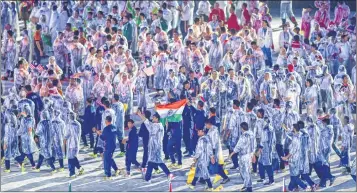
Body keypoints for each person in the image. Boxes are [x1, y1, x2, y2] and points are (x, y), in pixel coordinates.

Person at [137, 110, 173, 182]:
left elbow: (147, 122)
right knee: (151, 162)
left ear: (157, 119)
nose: (152, 119)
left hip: (155, 148)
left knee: (158, 162)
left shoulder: (156, 126)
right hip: (156, 147)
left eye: (153, 118)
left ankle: (168, 173)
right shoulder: (160, 126)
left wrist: (140, 115)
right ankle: (148, 178)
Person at [229, 122, 255, 192]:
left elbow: (238, 146)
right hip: (250, 154)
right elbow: (254, 145)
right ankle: (248, 186)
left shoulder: (243, 136)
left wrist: (232, 153)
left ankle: (247, 186)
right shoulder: (252, 134)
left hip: (244, 156)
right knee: (247, 171)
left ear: (242, 128)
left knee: (244, 171)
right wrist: (253, 154)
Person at [282, 123, 308, 191]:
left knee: (294, 176)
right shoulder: (299, 135)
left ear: (294, 129)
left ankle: (304, 186)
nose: (291, 129)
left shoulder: (295, 139)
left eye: (292, 128)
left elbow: (292, 151)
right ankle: (291, 187)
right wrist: (286, 129)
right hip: (297, 158)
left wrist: (286, 158)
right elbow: (290, 133)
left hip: (294, 159)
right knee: (294, 175)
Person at [205, 119, 230, 184]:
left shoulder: (213, 131)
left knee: (216, 167)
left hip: (214, 151)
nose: (205, 126)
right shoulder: (212, 130)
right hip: (212, 151)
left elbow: (213, 143)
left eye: (206, 124)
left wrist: (212, 155)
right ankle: (203, 178)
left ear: (209, 124)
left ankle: (225, 177)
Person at [64, 111, 84, 178]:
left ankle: (72, 173)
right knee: (73, 157)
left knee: (70, 159)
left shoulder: (69, 124)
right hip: (77, 143)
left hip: (71, 144)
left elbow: (67, 134)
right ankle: (80, 168)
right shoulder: (78, 123)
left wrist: (64, 140)